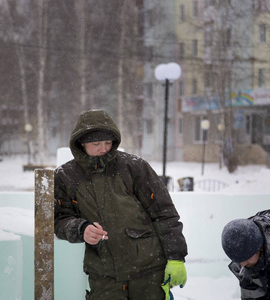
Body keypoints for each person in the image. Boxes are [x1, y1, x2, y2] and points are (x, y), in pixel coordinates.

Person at [54, 109, 188, 300]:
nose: (103, 149)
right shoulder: (65, 176)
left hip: (149, 271)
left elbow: (164, 214)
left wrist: (175, 257)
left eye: (108, 143)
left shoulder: (134, 167)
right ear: (81, 143)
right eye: (96, 144)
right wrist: (80, 229)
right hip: (104, 275)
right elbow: (59, 219)